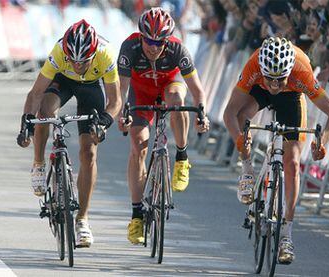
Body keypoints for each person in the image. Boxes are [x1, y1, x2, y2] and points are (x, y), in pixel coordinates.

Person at [223, 37, 329, 264]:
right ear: (263, 70)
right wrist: (240, 139)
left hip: (292, 95)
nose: (275, 85)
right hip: (259, 91)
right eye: (271, 79)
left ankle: (287, 234)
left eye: (280, 79)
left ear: (289, 70)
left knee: (293, 162)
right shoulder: (254, 65)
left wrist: (322, 141)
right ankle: (247, 171)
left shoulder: (301, 70)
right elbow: (229, 112)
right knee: (242, 118)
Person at [16, 19, 121, 248]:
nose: (76, 65)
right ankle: (39, 163)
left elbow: (115, 101)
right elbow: (34, 94)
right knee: (45, 109)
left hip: (91, 88)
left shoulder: (106, 54)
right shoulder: (59, 52)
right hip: (62, 83)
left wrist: (104, 122)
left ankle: (82, 220)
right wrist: (26, 124)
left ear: (93, 54)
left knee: (89, 153)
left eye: (82, 61)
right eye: (72, 60)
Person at [117, 7, 210, 244]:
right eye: (149, 40)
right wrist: (122, 115)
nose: (154, 47)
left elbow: (198, 91)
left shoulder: (178, 49)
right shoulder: (129, 49)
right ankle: (137, 215)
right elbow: (122, 91)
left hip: (170, 85)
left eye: (160, 42)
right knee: (138, 146)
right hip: (141, 94)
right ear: (141, 36)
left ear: (167, 39)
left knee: (177, 100)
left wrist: (202, 115)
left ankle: (181, 156)